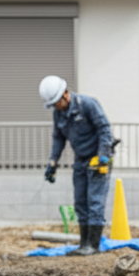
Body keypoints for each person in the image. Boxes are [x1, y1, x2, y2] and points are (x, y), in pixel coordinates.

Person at [40, 76, 113, 256]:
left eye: (57, 102)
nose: (56, 107)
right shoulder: (58, 114)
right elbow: (58, 138)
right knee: (80, 201)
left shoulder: (87, 104)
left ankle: (93, 245)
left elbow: (104, 128)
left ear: (65, 94)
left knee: (94, 201)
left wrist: (104, 155)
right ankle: (84, 244)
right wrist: (53, 163)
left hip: (97, 159)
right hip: (80, 160)